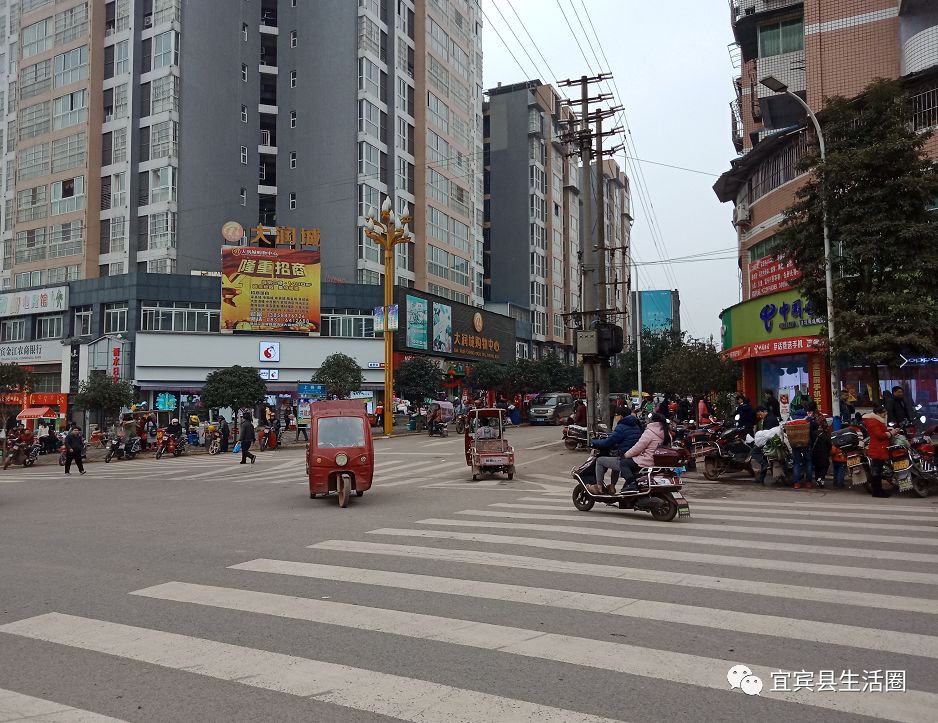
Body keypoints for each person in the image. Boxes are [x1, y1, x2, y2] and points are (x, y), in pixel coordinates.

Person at [589, 407, 642, 493]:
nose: (615, 417)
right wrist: (609, 434)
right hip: (635, 456)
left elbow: (608, 442)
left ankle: (599, 487)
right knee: (614, 457)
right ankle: (612, 486)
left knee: (599, 460)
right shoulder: (636, 425)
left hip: (626, 458)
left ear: (621, 416)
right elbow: (619, 436)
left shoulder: (621, 426)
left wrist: (593, 443)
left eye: (616, 415)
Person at [619, 412, 671, 492]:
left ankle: (632, 484)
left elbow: (638, 448)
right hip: (660, 463)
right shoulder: (667, 432)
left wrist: (626, 455)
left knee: (623, 463)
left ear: (652, 421)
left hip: (648, 461)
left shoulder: (650, 432)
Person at [863, 405, 894, 497]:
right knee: (876, 472)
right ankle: (876, 492)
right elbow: (879, 435)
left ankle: (879, 490)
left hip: (880, 448)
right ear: (878, 413)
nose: (885, 414)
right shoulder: (873, 421)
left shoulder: (876, 421)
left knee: (878, 471)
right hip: (877, 449)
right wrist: (891, 433)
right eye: (884, 412)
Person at [807, 401, 831, 487]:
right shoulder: (819, 416)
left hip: (810, 441)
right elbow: (826, 428)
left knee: (815, 462)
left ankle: (817, 479)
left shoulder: (807, 416)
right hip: (821, 440)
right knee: (824, 462)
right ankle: (820, 478)